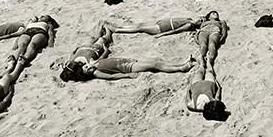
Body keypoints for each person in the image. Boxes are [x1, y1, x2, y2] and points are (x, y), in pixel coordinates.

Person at [60, 56, 195, 82]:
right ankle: (182, 68)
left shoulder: (93, 63)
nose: (89, 67)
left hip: (129, 61)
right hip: (129, 68)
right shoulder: (97, 73)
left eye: (86, 66)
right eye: (88, 69)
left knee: (157, 60)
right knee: (156, 65)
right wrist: (127, 76)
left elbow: (106, 58)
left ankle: (180, 63)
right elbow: (112, 77)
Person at [104, 16, 201, 37]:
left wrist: (162, 35)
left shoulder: (189, 25)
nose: (199, 19)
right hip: (161, 23)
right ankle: (121, 27)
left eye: (201, 21)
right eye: (200, 18)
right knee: (139, 25)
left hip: (161, 29)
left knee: (140, 29)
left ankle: (117, 30)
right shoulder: (189, 19)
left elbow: (175, 31)